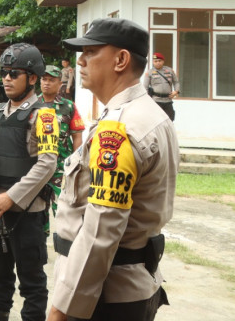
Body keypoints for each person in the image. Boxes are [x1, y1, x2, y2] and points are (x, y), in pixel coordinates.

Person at [48, 18, 179, 321]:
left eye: (91, 52)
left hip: (102, 297)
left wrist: (62, 309)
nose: (80, 61)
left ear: (121, 60)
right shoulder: (150, 115)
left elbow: (99, 233)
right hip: (127, 287)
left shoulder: (120, 129)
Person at [0, 43, 57, 321]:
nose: (7, 78)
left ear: (32, 78)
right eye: (4, 73)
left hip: (25, 213)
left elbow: (48, 163)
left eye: (14, 73)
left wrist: (12, 197)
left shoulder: (43, 115)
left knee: (32, 283)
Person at [38, 65, 84, 216]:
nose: (47, 83)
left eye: (51, 80)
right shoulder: (32, 105)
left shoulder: (68, 106)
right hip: (37, 168)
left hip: (62, 169)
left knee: (64, 213)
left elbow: (77, 136)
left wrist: (77, 164)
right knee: (37, 215)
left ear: (59, 84)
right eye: (44, 79)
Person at [143, 52, 180, 121]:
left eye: (159, 61)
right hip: (156, 101)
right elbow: (145, 88)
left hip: (168, 100)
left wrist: (176, 91)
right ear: (153, 62)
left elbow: (176, 82)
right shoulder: (149, 72)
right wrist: (147, 101)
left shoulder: (170, 70)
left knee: (169, 120)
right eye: (155, 61)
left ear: (163, 61)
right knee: (156, 121)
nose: (158, 63)